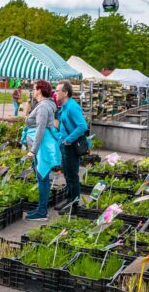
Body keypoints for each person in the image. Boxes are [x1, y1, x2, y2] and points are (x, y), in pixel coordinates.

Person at [23, 80, 60, 221]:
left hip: (41, 148)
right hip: (41, 147)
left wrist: (33, 150)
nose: (32, 90)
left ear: (39, 90)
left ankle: (42, 212)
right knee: (42, 178)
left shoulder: (43, 107)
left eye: (34, 88)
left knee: (42, 178)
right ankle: (41, 208)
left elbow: (40, 129)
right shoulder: (44, 105)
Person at [55, 80, 88, 215]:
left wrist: (68, 140)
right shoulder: (64, 107)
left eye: (57, 91)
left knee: (72, 175)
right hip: (65, 145)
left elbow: (82, 126)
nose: (55, 93)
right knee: (67, 174)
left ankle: (74, 204)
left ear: (65, 92)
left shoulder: (72, 107)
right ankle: (69, 199)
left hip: (71, 146)